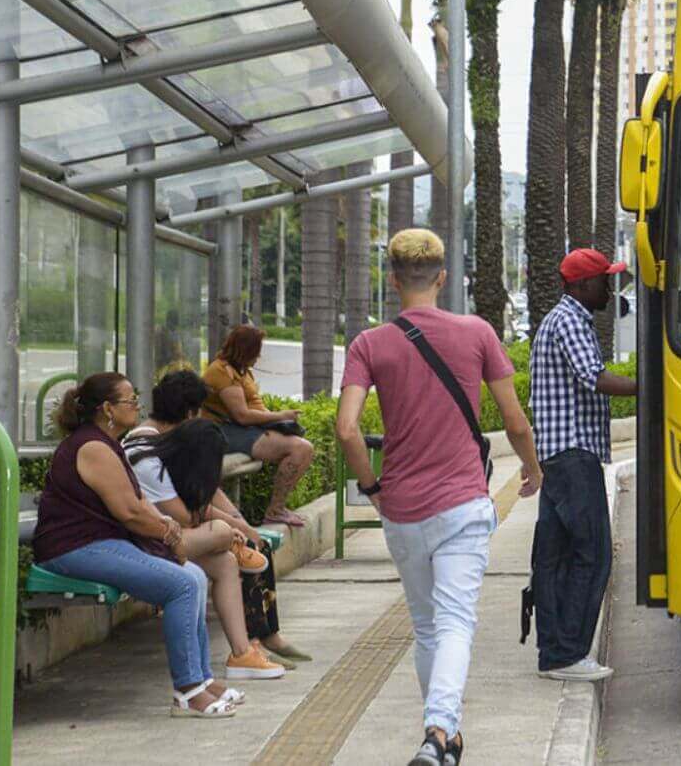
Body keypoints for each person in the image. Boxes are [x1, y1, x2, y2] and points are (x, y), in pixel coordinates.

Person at [336, 228, 542, 766]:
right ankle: (437, 730)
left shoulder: (369, 344)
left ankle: (446, 741)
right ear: (443, 277)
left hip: (402, 510)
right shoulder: (476, 332)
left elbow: (346, 430)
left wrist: (371, 487)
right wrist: (532, 468)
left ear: (394, 280)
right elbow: (514, 419)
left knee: (427, 625)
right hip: (461, 506)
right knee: (455, 623)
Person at [31, 373, 239, 718]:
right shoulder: (92, 447)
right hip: (74, 549)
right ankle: (188, 691)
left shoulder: (109, 443)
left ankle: (201, 679)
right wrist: (168, 534)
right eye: (130, 400)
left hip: (101, 543)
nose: (137, 405)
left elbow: (140, 503)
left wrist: (167, 527)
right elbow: (128, 512)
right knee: (183, 583)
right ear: (107, 409)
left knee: (195, 577)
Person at [125, 370, 313, 675]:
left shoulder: (171, 438)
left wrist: (240, 521)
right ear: (190, 412)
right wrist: (236, 526)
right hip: (156, 536)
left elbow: (205, 489)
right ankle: (256, 640)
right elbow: (184, 512)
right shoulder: (147, 450)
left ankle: (251, 647)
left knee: (237, 552)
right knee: (234, 539)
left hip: (175, 530)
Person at [529, 248, 637, 683]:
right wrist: (652, 385)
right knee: (592, 554)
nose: (609, 288)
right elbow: (595, 377)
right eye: (603, 280)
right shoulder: (571, 320)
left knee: (554, 558)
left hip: (560, 455)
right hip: (574, 456)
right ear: (581, 285)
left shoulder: (566, 318)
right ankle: (569, 653)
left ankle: (555, 653)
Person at [202, 324, 314, 527]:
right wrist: (280, 415)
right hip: (224, 431)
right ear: (245, 351)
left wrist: (279, 421)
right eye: (256, 351)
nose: (259, 357)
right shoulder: (222, 372)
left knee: (302, 446)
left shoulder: (240, 370)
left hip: (243, 430)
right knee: (301, 448)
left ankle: (278, 508)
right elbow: (242, 416)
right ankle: (275, 511)